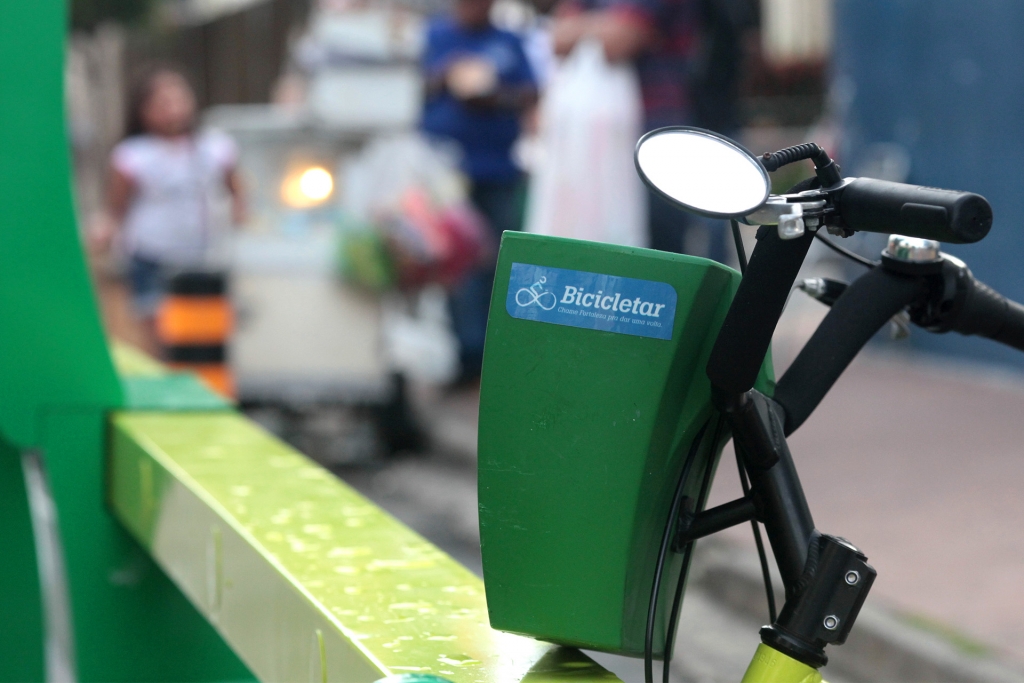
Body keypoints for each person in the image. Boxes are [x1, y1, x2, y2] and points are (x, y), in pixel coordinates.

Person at [421, 0, 538, 386]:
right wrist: (443, 79)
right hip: (445, 173)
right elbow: (405, 91)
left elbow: (530, 93)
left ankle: (494, 358)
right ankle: (464, 357)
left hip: (499, 170)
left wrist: (493, 96)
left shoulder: (509, 40)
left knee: (498, 265)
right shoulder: (433, 36)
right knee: (452, 264)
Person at [92, 66, 244, 354]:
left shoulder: (214, 147)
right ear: (143, 111)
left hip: (200, 255)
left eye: (178, 100)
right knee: (160, 333)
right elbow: (116, 206)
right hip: (149, 254)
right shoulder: (133, 155)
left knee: (199, 331)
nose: (172, 110)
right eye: (161, 104)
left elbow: (236, 189)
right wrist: (105, 231)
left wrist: (240, 212)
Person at [551, 0, 701, 255]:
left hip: (657, 131)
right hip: (598, 137)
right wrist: (605, 25)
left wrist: (585, 28)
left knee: (658, 251)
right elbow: (557, 39)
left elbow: (617, 43)